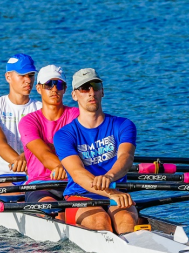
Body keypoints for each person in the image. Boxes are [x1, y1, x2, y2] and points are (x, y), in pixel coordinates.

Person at [53, 68, 141, 234]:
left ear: (102, 92)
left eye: (95, 86)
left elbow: (126, 157)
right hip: (80, 196)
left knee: (127, 221)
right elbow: (78, 173)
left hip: (117, 192)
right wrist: (110, 192)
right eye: (85, 88)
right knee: (100, 221)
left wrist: (109, 177)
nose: (91, 92)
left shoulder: (123, 125)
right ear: (74, 95)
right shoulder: (64, 135)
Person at [19, 65, 79, 203]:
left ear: (64, 89)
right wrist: (63, 167)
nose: (54, 89)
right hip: (40, 185)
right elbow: (44, 156)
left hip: (75, 183)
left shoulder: (76, 116)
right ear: (39, 88)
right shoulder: (28, 121)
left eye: (58, 84)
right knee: (54, 210)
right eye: (49, 84)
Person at [0, 54, 41, 180]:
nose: (28, 80)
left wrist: (26, 157)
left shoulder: (41, 108)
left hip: (34, 177)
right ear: (8, 77)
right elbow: (0, 144)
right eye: (22, 75)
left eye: (31, 75)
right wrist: (22, 162)